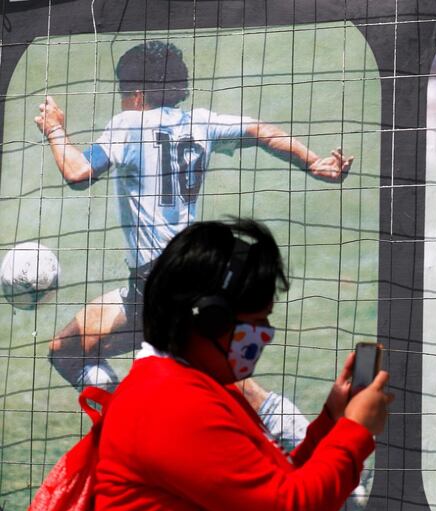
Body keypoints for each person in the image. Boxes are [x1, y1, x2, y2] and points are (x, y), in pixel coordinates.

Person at [34, 40, 353, 389]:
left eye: (123, 93)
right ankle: (126, 419)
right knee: (71, 350)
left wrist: (55, 129)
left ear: (137, 94)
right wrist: (313, 162)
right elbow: (264, 132)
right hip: (194, 274)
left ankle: (129, 422)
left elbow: (78, 173)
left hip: (156, 283)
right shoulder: (201, 123)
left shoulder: (128, 124)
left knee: (221, 389)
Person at [94, 218, 392, 511]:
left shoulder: (191, 385)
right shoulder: (170, 403)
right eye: (257, 321)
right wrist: (355, 431)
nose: (265, 333)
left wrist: (331, 424)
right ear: (212, 320)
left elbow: (272, 486)